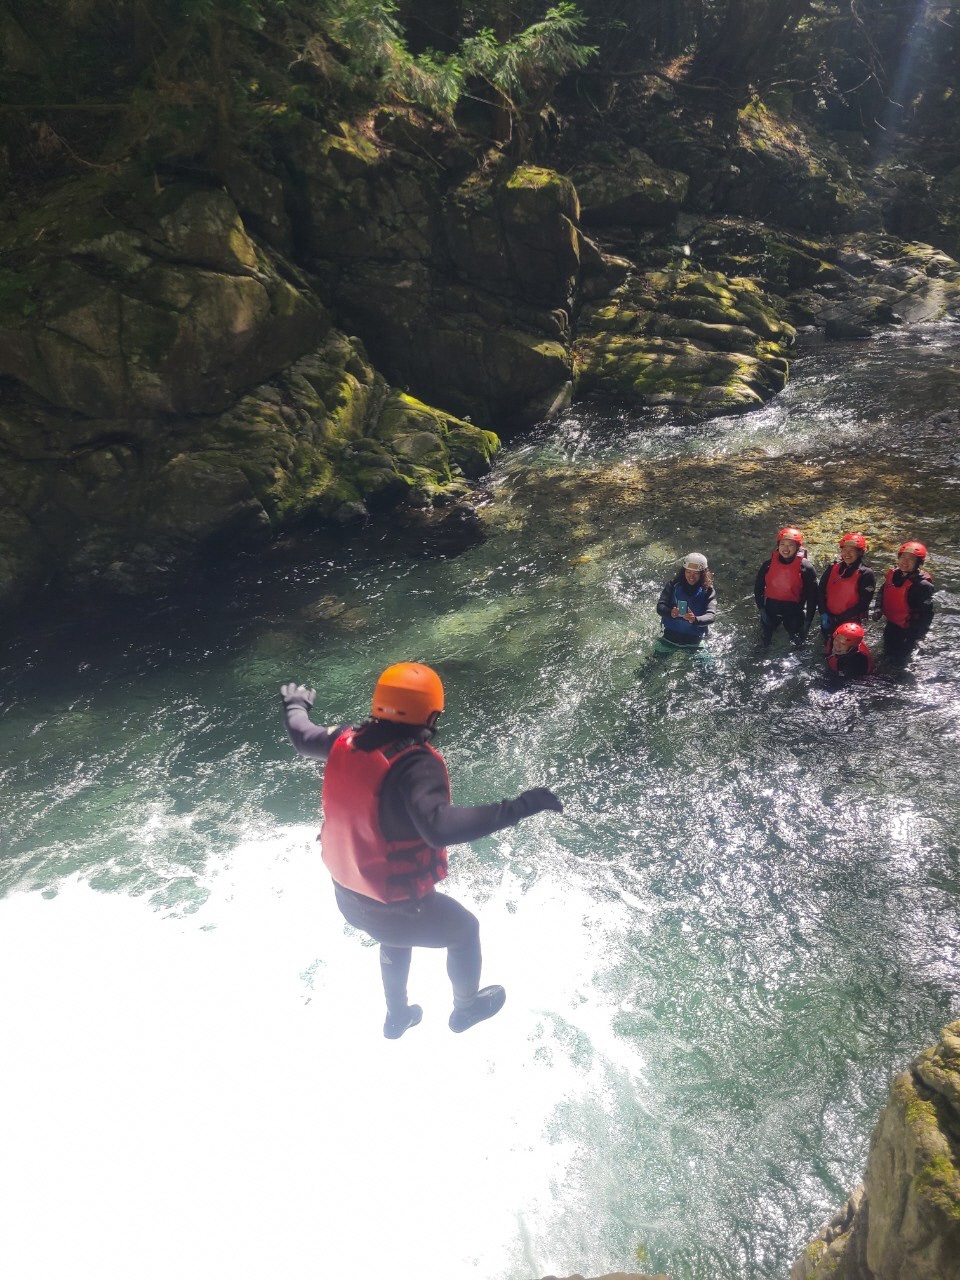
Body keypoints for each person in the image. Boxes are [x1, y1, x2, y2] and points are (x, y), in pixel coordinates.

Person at [280, 663, 563, 1040]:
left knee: (394, 934)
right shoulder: (415, 764)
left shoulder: (346, 739)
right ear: (431, 714)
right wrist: (521, 806)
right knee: (464, 930)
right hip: (397, 909)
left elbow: (302, 737)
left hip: (349, 899)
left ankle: (397, 1015)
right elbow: (438, 828)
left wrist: (295, 704)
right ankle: (466, 1008)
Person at [754, 526, 818, 645]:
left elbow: (812, 598)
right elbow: (758, 588)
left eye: (790, 545)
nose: (786, 548)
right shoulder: (767, 565)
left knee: (798, 643)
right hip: (770, 610)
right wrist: (761, 609)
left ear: (798, 547)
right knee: (763, 642)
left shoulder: (806, 568)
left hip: (794, 612)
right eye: (783, 544)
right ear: (778, 545)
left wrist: (807, 622)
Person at [874, 540, 935, 659]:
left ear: (918, 563)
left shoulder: (923, 586)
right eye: (903, 557)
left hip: (909, 630)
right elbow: (882, 592)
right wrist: (877, 609)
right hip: (891, 624)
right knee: (886, 654)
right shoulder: (893, 575)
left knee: (899, 660)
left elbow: (927, 614)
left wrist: (920, 637)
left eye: (911, 559)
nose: (905, 562)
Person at [654, 552, 717, 655]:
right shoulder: (673, 585)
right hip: (670, 636)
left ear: (703, 574)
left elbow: (711, 616)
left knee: (708, 670)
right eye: (688, 572)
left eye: (696, 573)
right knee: (651, 667)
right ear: (684, 571)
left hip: (695, 640)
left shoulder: (708, 591)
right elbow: (660, 606)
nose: (691, 577)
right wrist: (671, 612)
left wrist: (694, 619)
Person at [817, 532, 876, 642]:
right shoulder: (833, 567)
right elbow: (820, 591)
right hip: (829, 617)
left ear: (860, 552)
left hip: (850, 623)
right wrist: (823, 613)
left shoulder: (866, 574)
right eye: (844, 550)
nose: (847, 554)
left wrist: (837, 619)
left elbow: (863, 604)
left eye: (852, 550)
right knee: (828, 647)